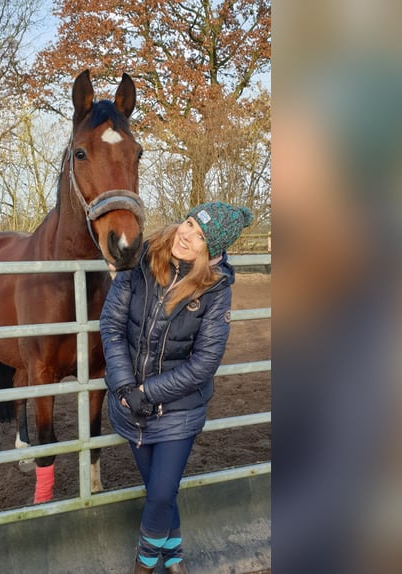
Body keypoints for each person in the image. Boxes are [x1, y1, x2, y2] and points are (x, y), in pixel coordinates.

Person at [100, 201, 254, 574]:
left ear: (211, 250)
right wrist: (125, 388)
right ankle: (175, 556)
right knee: (161, 492)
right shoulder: (141, 261)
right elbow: (112, 326)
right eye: (189, 223)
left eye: (200, 236)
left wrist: (147, 393)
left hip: (178, 409)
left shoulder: (216, 289)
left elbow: (203, 364)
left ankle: (145, 563)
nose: (187, 235)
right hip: (129, 403)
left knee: (160, 492)